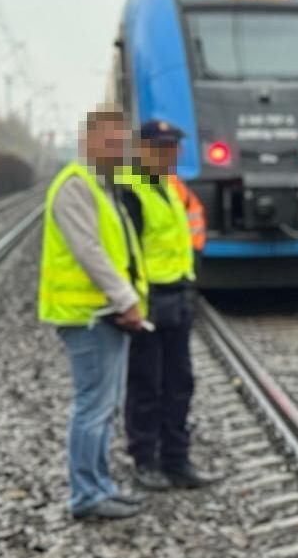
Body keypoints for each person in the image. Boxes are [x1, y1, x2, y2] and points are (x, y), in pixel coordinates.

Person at [37, 108, 149, 520]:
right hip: (86, 316)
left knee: (105, 405)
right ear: (87, 140)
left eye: (122, 141)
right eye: (111, 141)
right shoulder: (75, 186)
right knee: (92, 406)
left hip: (102, 313)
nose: (119, 148)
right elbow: (90, 252)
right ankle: (85, 495)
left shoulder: (102, 186)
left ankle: (100, 486)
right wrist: (126, 300)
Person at [117, 120, 213, 490]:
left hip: (177, 297)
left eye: (173, 149)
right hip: (148, 303)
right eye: (162, 149)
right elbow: (126, 252)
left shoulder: (171, 188)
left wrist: (191, 279)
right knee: (147, 384)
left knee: (179, 383)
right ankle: (145, 461)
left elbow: (182, 240)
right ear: (141, 149)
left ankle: (176, 459)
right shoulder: (130, 189)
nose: (170, 155)